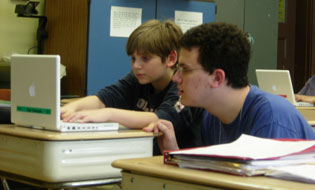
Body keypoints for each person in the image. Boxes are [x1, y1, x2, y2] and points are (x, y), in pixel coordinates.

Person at [144, 22, 315, 153]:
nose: (175, 77)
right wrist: (173, 152)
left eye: (185, 69)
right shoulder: (212, 116)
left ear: (217, 78)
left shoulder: (270, 117)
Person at [61, 19, 203, 154]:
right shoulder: (138, 78)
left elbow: (160, 118)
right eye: (133, 58)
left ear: (171, 59)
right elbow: (104, 98)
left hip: (182, 167)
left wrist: (108, 113)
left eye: (145, 58)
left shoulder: (182, 87)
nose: (136, 66)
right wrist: (70, 109)